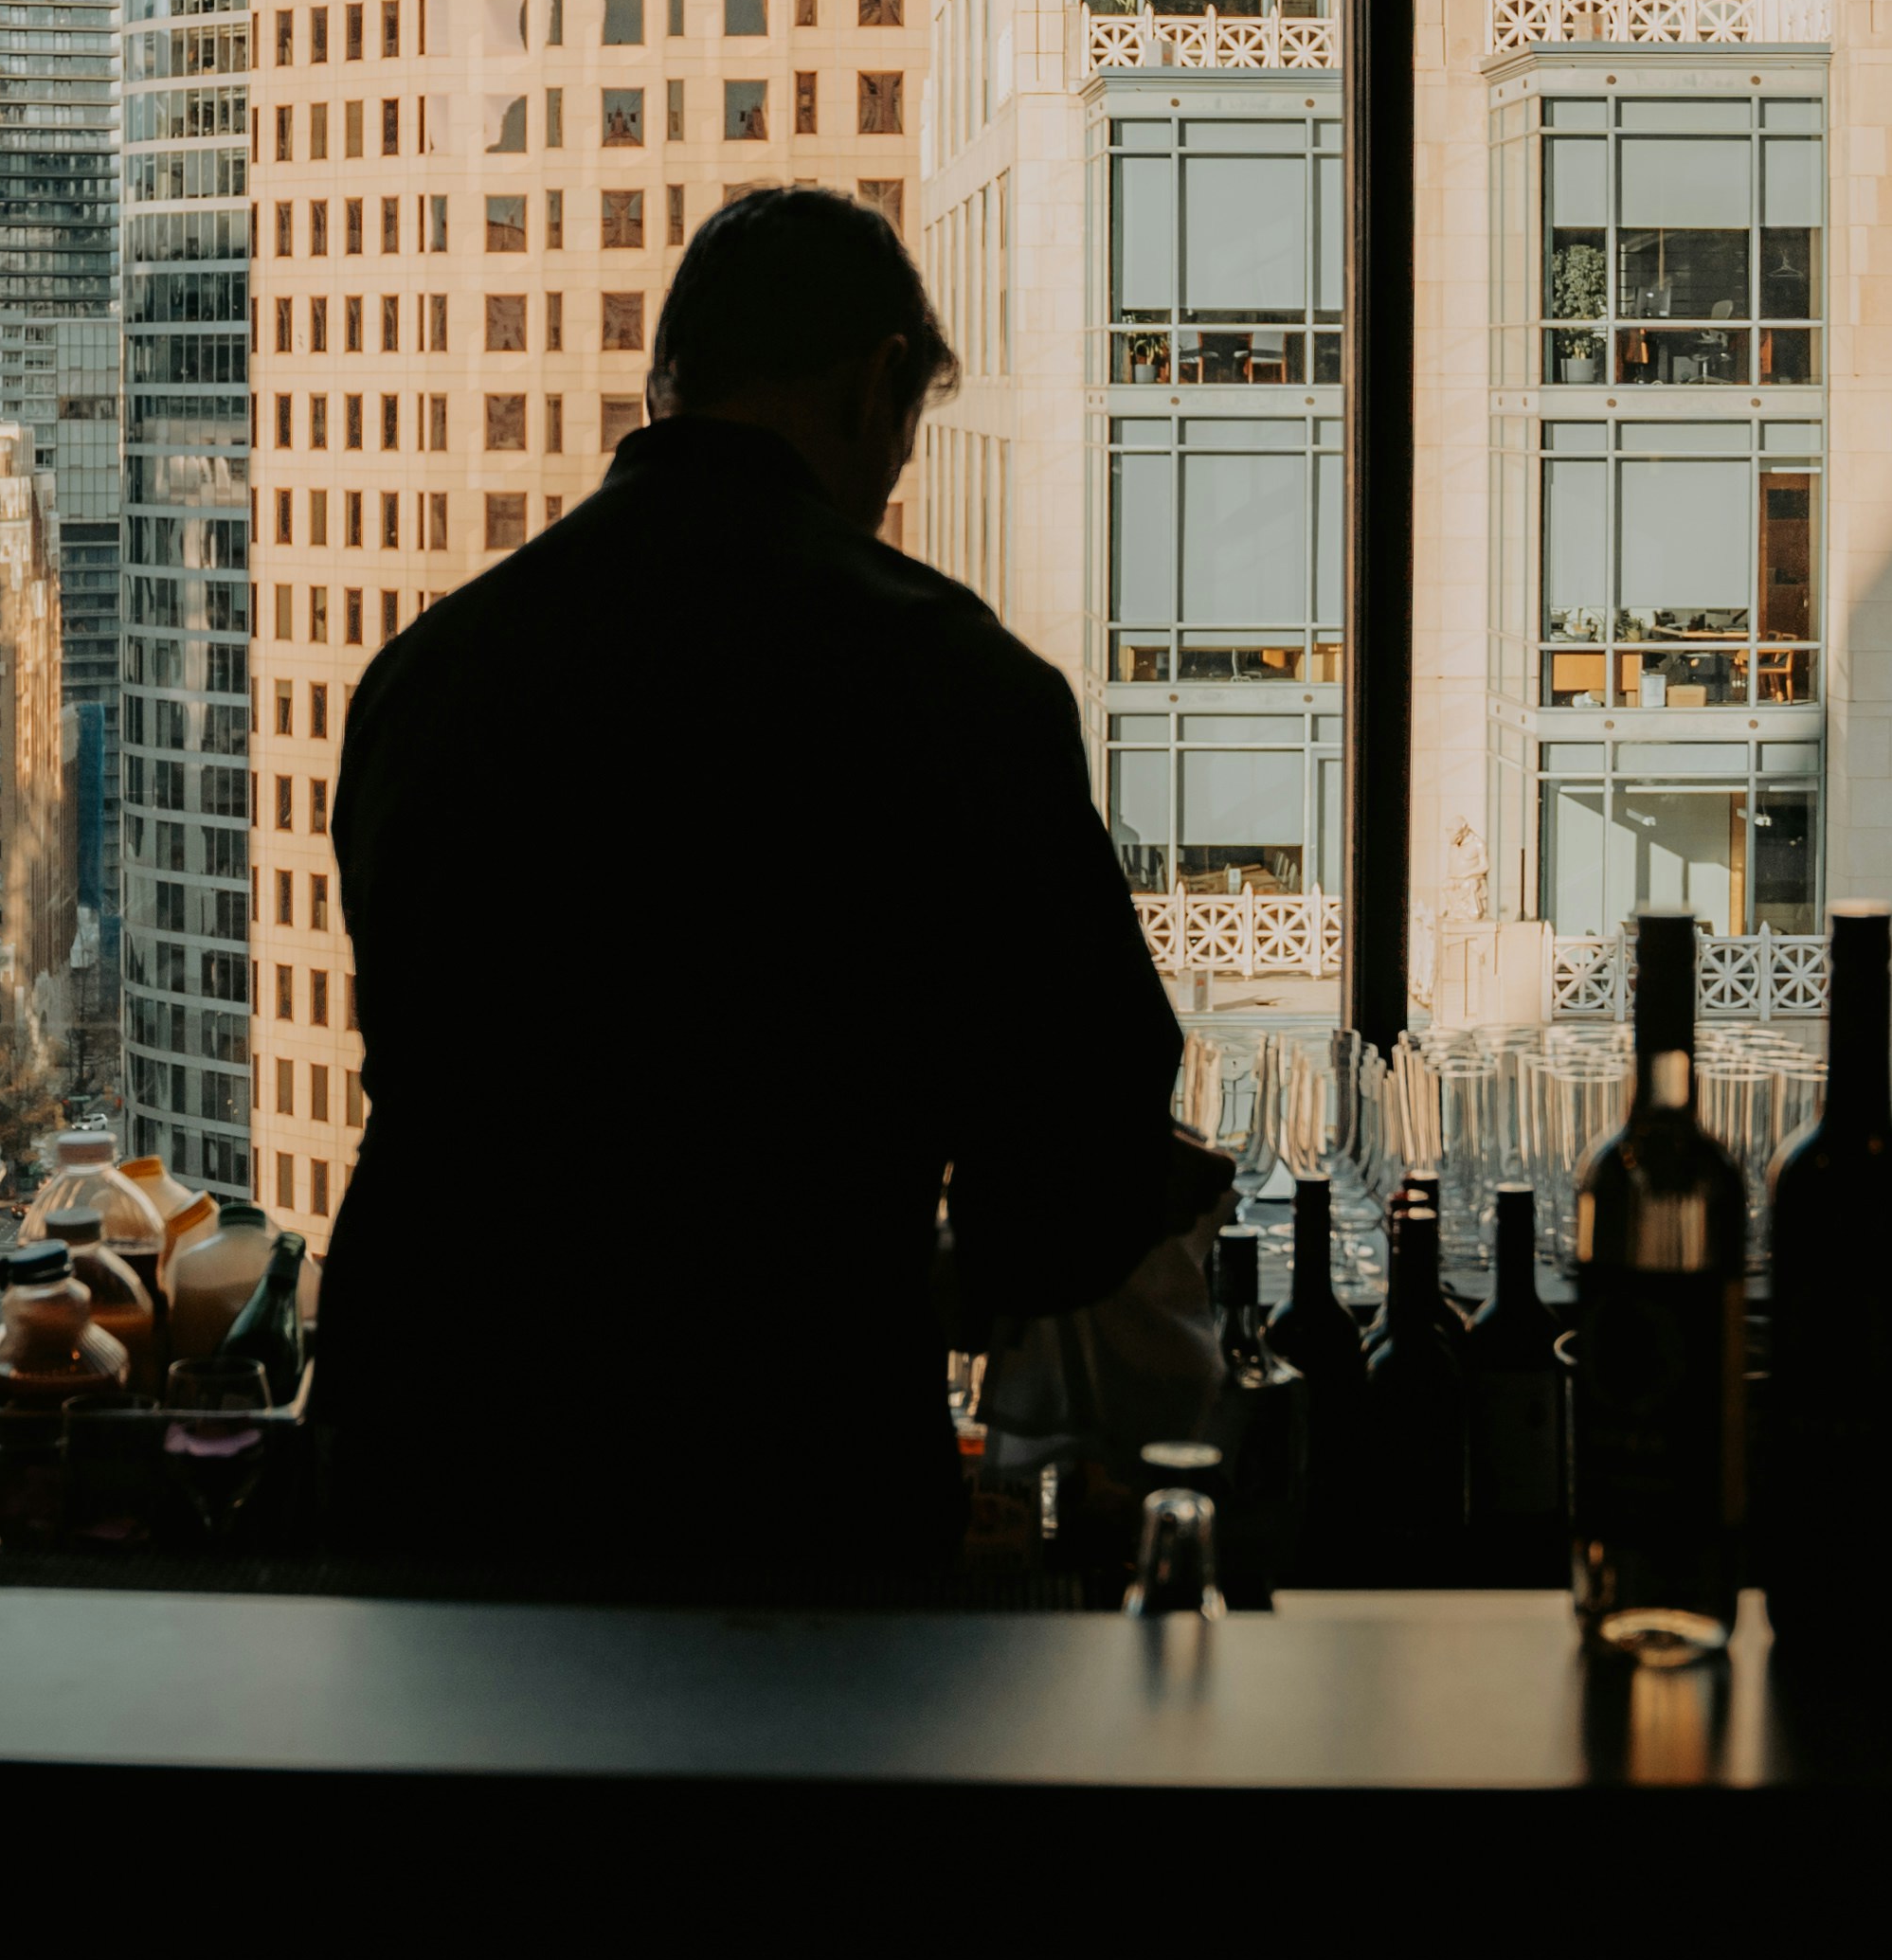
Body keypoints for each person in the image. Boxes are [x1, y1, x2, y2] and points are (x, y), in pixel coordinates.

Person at [316, 186, 1220, 1585]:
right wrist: (900, 1274)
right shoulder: (959, 686)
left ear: (665, 386)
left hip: (432, 1473)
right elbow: (1086, 1160)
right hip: (783, 1489)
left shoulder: (427, 677)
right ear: (876, 385)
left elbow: (426, 1068)